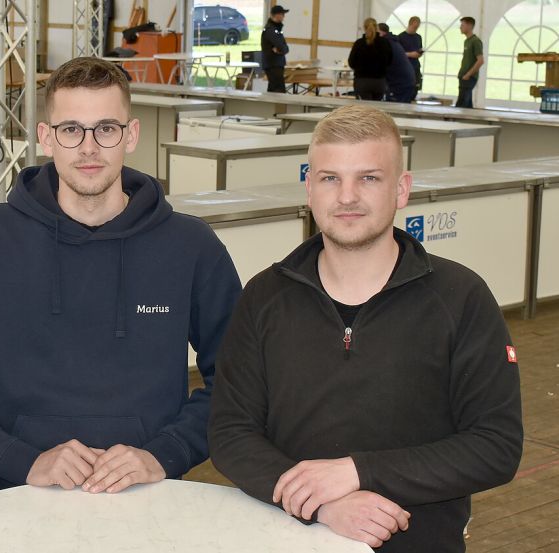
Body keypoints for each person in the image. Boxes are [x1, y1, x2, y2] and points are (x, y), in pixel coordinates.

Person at [0, 56, 242, 494]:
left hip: (151, 497)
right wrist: (18, 460)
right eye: (71, 130)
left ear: (131, 135)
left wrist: (165, 452)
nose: (88, 147)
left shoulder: (190, 245)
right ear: (46, 137)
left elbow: (240, 380)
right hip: (15, 494)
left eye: (106, 128)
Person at [208, 104, 523, 552]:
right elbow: (230, 434)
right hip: (287, 538)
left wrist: (358, 472)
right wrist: (320, 505)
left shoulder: (462, 298)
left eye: (369, 178)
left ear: (402, 189)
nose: (347, 196)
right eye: (330, 178)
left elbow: (496, 446)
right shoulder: (264, 297)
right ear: (310, 189)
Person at [348, 18, 392, 101]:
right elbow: (390, 61)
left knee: (364, 110)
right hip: (379, 82)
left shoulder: (359, 43)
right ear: (377, 28)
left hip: (362, 82)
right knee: (376, 110)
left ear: (364, 28)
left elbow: (351, 63)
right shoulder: (385, 43)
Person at [379, 23, 416, 103]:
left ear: (381, 33)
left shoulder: (386, 44)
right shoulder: (393, 41)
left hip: (400, 84)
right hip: (407, 82)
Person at [456, 16, 484, 108]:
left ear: (469, 26)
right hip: (463, 76)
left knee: (461, 104)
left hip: (469, 77)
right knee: (467, 105)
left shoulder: (475, 41)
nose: (460, 27)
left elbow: (480, 60)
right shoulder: (467, 41)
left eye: (462, 25)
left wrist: (468, 74)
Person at [261, 5, 290, 93]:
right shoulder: (271, 30)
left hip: (276, 64)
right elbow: (281, 46)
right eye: (282, 14)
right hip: (273, 64)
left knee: (274, 89)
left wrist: (283, 50)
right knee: (278, 91)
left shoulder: (276, 29)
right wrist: (283, 49)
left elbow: (285, 48)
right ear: (277, 15)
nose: (284, 16)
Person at [397, 16, 424, 101]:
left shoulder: (418, 37)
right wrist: (409, 54)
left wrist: (419, 53)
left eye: (417, 27)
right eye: (415, 27)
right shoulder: (400, 37)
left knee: (415, 87)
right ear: (410, 24)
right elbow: (398, 53)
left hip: (415, 66)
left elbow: (419, 50)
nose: (416, 29)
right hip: (405, 67)